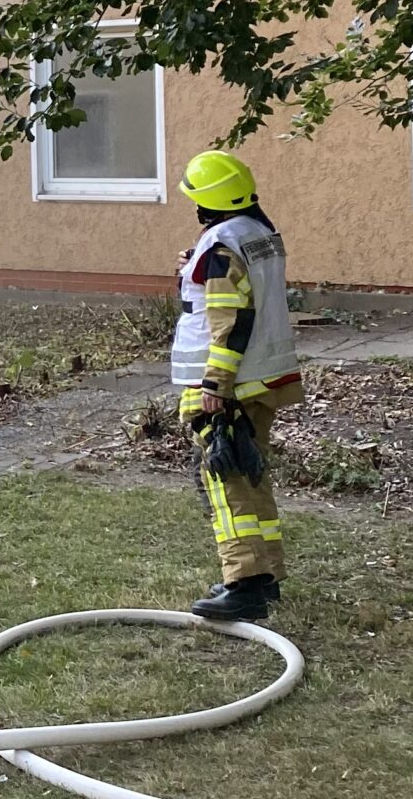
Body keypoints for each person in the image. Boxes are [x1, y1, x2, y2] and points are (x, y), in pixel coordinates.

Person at [171, 150, 300, 623]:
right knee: (250, 474)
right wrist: (195, 265)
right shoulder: (257, 233)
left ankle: (243, 583)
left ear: (207, 201)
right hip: (263, 379)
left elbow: (231, 321)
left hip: (230, 385)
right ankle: (264, 577)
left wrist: (215, 385)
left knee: (227, 482)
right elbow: (242, 292)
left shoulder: (222, 246)